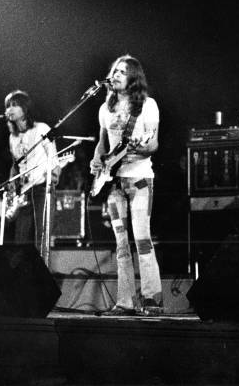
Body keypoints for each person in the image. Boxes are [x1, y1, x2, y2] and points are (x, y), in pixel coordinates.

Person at [90, 55, 163, 316]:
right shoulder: (105, 108)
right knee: (121, 245)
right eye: (115, 71)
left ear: (134, 77)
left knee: (142, 240)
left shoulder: (147, 105)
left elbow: (153, 144)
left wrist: (141, 147)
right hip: (113, 184)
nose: (117, 74)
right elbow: (102, 143)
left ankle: (152, 300)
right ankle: (125, 302)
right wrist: (97, 160)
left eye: (123, 71)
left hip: (140, 180)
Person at [5, 90, 60, 250]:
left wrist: (54, 175)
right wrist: (12, 183)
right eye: (7, 106)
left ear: (25, 109)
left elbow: (54, 159)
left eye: (14, 105)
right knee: (20, 239)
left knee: (41, 238)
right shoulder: (12, 137)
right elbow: (16, 165)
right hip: (23, 193)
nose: (9, 109)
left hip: (42, 188)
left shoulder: (42, 129)